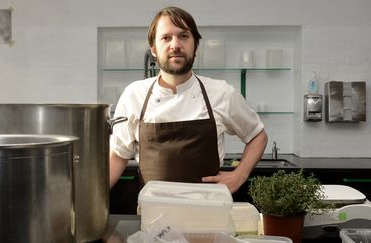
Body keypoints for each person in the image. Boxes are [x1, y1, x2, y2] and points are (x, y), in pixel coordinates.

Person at [109, 6, 268, 193]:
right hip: (154, 215)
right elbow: (118, 156)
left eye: (183, 36)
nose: (175, 45)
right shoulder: (134, 95)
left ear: (196, 46)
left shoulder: (222, 93)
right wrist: (86, 205)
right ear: (153, 49)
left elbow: (258, 135)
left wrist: (239, 175)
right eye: (166, 38)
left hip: (209, 214)